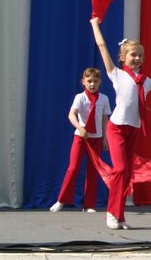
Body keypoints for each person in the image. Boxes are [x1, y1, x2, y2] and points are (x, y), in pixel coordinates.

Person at [90, 17, 151, 230]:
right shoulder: (117, 75)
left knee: (127, 174)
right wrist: (95, 25)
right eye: (133, 54)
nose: (137, 58)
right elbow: (102, 46)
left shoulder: (147, 82)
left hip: (133, 129)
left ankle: (120, 215)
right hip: (116, 128)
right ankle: (111, 212)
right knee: (120, 169)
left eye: (140, 55)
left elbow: (138, 103)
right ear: (122, 57)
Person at [50, 68, 112, 212]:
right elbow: (71, 114)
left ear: (100, 82)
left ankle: (89, 205)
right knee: (73, 168)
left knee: (93, 171)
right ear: (83, 82)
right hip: (81, 137)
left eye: (95, 81)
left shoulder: (104, 99)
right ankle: (61, 200)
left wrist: (105, 138)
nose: (92, 84)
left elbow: (105, 120)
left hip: (96, 138)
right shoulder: (80, 97)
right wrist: (80, 127)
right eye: (89, 81)